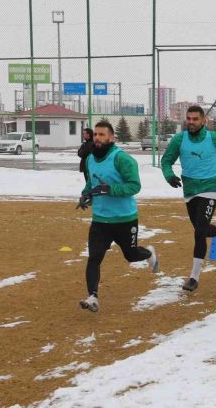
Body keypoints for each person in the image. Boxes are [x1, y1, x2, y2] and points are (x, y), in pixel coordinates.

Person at [76, 121, 159, 313]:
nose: (97, 138)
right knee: (94, 258)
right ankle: (93, 297)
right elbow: (91, 183)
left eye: (102, 135)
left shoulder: (122, 159)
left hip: (124, 219)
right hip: (100, 220)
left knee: (131, 255)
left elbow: (134, 186)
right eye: (95, 134)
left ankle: (149, 253)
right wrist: (85, 194)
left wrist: (110, 189)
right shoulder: (89, 159)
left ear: (111, 138)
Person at [161, 105, 216, 292]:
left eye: (195, 119)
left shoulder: (214, 138)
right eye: (189, 119)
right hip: (190, 189)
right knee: (200, 228)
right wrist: (169, 175)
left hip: (210, 187)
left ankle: (194, 277)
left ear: (204, 121)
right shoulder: (179, 139)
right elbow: (166, 160)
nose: (191, 122)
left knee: (200, 230)